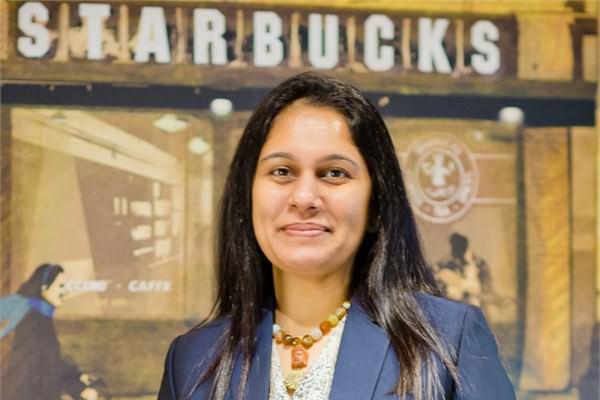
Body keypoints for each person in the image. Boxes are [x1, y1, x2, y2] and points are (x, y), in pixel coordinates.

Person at [158, 72, 515, 399]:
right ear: (247, 196)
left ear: (376, 204)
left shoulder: (447, 342)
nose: (304, 198)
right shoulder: (190, 360)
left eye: (334, 173)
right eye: (282, 171)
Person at [0, 263, 98, 400]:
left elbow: (50, 359)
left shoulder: (38, 316)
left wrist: (76, 376)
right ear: (44, 288)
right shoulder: (34, 321)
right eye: (60, 286)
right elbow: (45, 364)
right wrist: (77, 388)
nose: (65, 291)